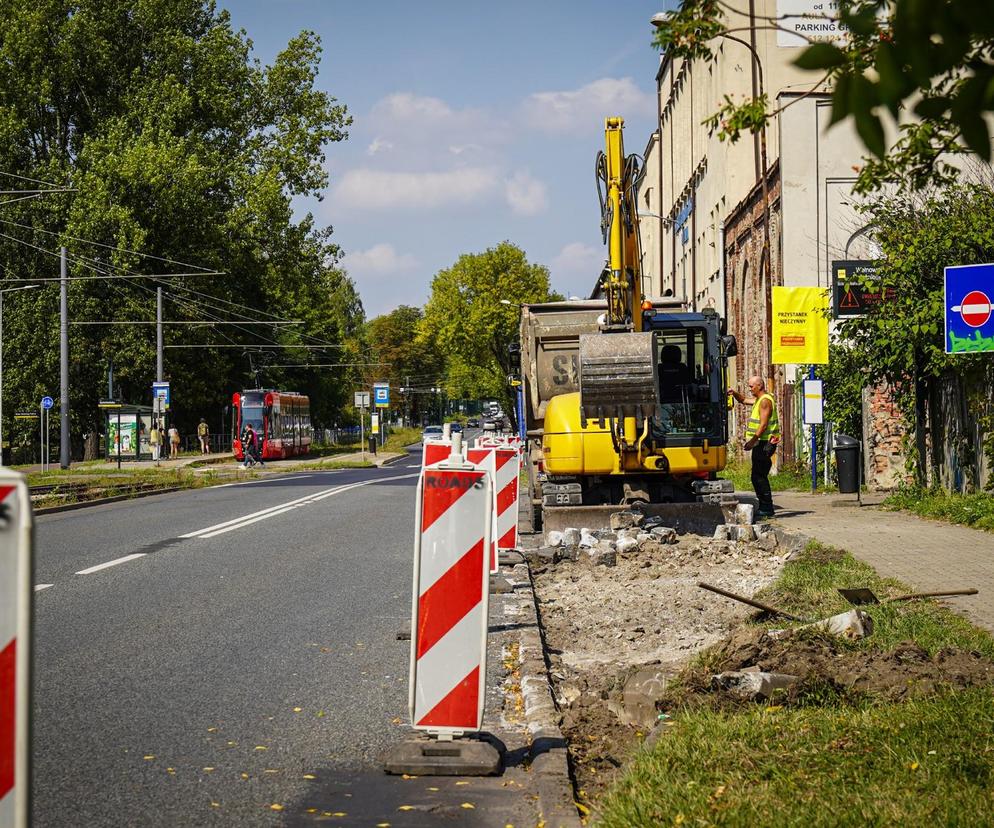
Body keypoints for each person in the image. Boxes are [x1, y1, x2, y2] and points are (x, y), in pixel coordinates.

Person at [728, 375, 781, 519]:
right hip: (762, 442)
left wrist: (752, 441)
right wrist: (734, 393)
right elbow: (744, 400)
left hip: (765, 443)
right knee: (757, 476)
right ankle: (765, 506)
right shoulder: (760, 399)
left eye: (751, 386)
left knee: (759, 476)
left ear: (759, 386)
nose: (750, 389)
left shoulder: (764, 402)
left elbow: (763, 425)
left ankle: (767, 508)